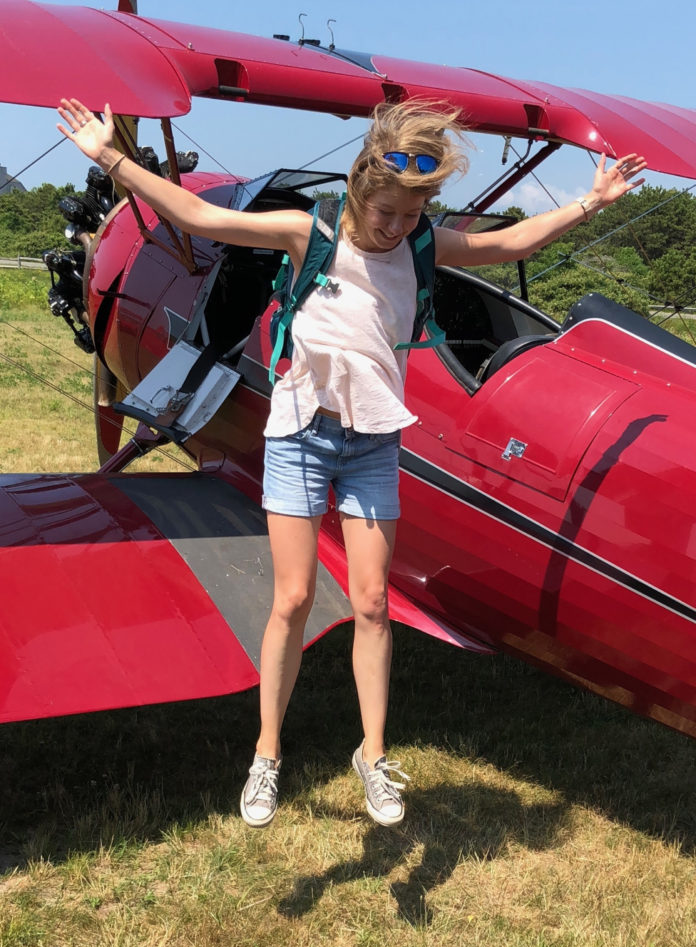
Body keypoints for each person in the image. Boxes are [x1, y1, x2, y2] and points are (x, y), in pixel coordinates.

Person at [57, 96, 646, 829]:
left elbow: (512, 245)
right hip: (301, 436)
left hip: (373, 443)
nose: (395, 229)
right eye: (385, 214)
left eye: (411, 215)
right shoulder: (309, 232)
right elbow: (204, 219)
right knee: (293, 600)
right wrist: (113, 160)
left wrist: (591, 201)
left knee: (372, 603)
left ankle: (372, 754)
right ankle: (267, 754)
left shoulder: (421, 245)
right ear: (362, 189)